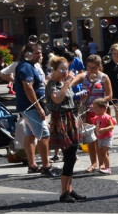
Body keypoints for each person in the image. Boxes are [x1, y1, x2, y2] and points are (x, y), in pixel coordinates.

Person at [44, 55, 86, 202]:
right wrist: (68, 83)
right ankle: (63, 193)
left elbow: (69, 103)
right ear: (54, 70)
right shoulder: (52, 84)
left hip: (70, 120)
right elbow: (57, 99)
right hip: (60, 121)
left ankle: (69, 189)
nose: (65, 72)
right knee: (69, 157)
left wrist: (79, 101)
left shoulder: (63, 82)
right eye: (61, 69)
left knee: (72, 156)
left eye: (66, 69)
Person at [15, 42, 55, 176]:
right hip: (31, 107)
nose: (40, 55)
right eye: (37, 52)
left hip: (29, 106)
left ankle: (32, 165)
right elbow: (28, 87)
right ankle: (46, 166)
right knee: (44, 135)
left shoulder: (29, 66)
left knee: (30, 134)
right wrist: (38, 107)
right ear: (28, 54)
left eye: (41, 52)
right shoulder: (26, 66)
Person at [87, 98, 115, 174]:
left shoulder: (106, 117)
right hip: (100, 138)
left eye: (95, 108)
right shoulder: (96, 117)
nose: (93, 110)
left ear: (102, 109)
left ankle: (108, 168)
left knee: (104, 153)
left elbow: (112, 126)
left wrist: (104, 129)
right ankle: (105, 167)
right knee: (102, 153)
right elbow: (93, 125)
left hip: (107, 137)